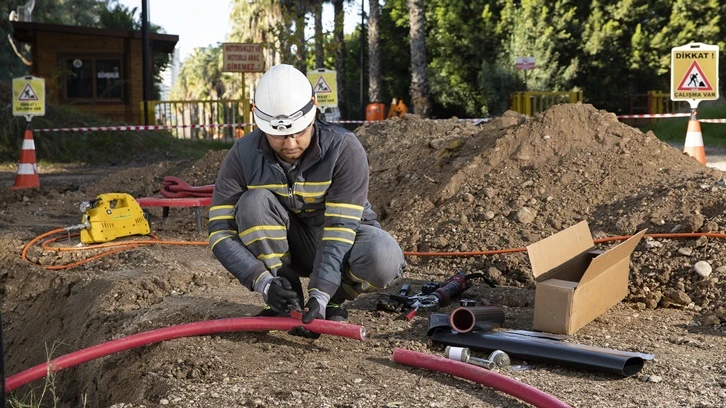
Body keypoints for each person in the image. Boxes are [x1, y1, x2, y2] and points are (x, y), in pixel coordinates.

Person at [208, 64, 406, 330]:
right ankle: (284, 298)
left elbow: (339, 228)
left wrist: (322, 293)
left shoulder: (343, 149)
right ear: (258, 119)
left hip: (343, 243)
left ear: (314, 110)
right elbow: (219, 231)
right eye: (278, 135)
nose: (290, 144)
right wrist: (263, 282)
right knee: (252, 203)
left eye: (299, 131)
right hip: (290, 245)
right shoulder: (243, 154)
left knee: (384, 256)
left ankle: (335, 299)